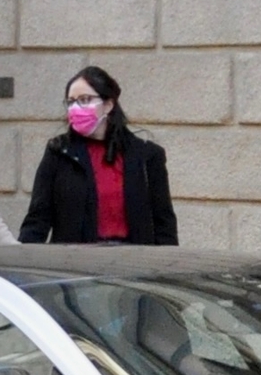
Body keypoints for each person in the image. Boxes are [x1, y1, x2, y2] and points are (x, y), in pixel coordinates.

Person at [18, 66, 179, 246]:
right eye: (71, 102)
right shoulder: (59, 152)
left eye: (85, 99)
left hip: (132, 262)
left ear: (108, 105)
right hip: (76, 262)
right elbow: (38, 218)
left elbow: (164, 223)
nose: (76, 107)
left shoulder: (147, 155)